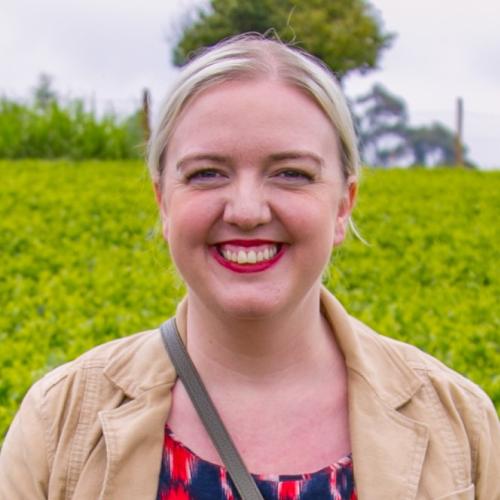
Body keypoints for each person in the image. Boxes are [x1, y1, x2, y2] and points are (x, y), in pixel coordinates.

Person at [0, 34, 498, 500]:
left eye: (291, 173)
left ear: (343, 205)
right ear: (163, 202)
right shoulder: (60, 420)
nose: (246, 210)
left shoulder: (459, 424)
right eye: (207, 173)